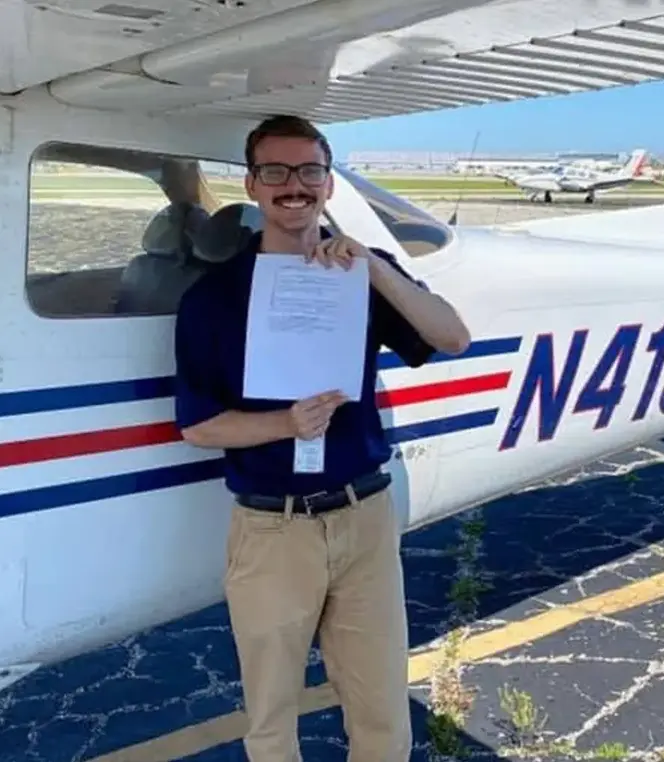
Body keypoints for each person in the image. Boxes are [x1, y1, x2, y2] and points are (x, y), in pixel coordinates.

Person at [173, 114, 471, 762]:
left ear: (328, 185)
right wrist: (285, 424)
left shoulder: (357, 273)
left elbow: (452, 336)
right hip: (272, 531)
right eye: (275, 172)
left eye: (309, 171)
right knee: (272, 721)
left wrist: (372, 267)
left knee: (383, 712)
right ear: (252, 185)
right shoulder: (212, 299)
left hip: (363, 517)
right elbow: (198, 423)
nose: (294, 186)